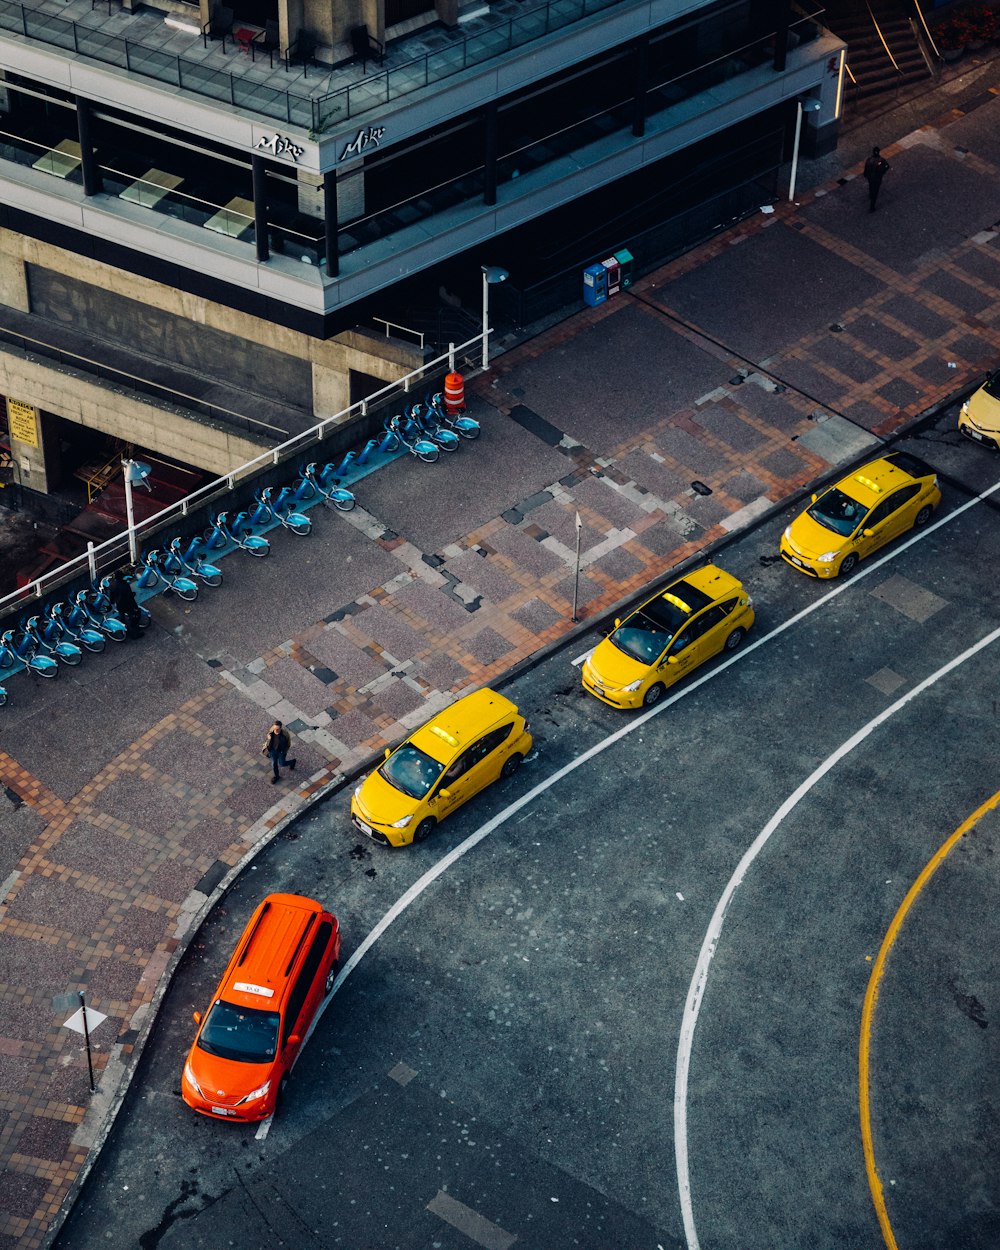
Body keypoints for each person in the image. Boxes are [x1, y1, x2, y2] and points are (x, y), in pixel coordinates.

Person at [110, 570, 143, 639]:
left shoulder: (113, 585)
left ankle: (123, 629)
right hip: (127, 605)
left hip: (119, 604)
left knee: (122, 616)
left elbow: (112, 597)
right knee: (132, 618)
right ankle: (134, 634)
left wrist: (112, 602)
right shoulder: (125, 584)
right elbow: (130, 597)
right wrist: (135, 606)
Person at [262, 720, 296, 784]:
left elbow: (288, 744)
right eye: (274, 728)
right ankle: (276, 776)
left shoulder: (285, 734)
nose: (276, 730)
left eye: (277, 729)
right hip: (272, 751)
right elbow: (268, 742)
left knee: (282, 764)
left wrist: (284, 751)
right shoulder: (271, 731)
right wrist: (269, 739)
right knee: (274, 764)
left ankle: (293, 762)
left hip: (281, 752)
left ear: (280, 728)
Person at [863, 147, 890, 212]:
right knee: (875, 191)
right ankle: (872, 207)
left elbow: (866, 169)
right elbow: (887, 166)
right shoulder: (882, 160)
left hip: (870, 178)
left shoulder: (869, 160)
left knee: (871, 186)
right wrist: (883, 172)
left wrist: (866, 175)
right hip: (877, 179)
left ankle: (870, 194)